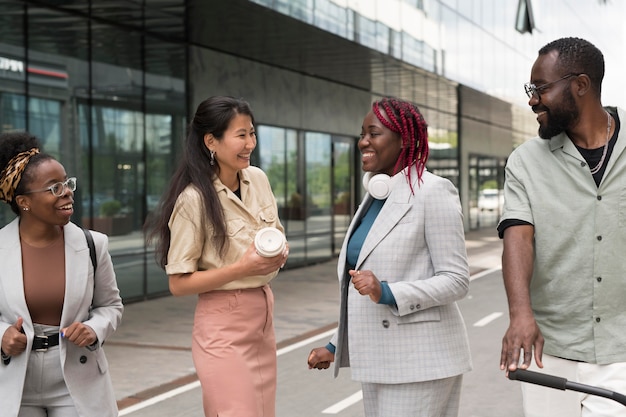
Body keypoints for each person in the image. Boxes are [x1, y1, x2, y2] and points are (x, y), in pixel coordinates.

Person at [307, 97, 472, 417]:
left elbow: (456, 280)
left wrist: (389, 291)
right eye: (362, 133)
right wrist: (334, 345)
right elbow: (357, 285)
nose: (363, 141)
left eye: (374, 133)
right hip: (380, 360)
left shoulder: (433, 192)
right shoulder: (375, 196)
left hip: (421, 361)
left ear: (405, 140)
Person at [498, 37, 626, 417]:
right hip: (548, 351)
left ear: (580, 85)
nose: (532, 99)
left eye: (540, 89)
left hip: (622, 348)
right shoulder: (524, 162)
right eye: (530, 90)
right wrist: (520, 314)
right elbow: (518, 236)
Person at [144, 96, 288, 417]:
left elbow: (275, 233)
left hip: (263, 318)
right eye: (241, 135)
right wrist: (242, 267)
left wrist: (279, 250)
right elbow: (179, 283)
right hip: (223, 328)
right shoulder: (193, 200)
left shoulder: (258, 179)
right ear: (211, 140)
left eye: (252, 133)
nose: (250, 143)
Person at [0, 132, 123, 417]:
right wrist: (3, 335)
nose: (67, 192)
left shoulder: (94, 244)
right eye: (54, 187)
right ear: (23, 202)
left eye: (67, 183)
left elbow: (111, 306)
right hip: (14, 381)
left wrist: (93, 329)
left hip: (76, 378)